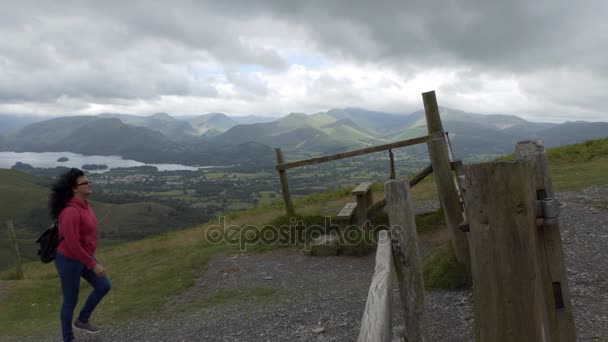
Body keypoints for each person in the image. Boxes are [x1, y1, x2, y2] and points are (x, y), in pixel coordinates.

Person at [49, 168, 111, 342]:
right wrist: (92, 264)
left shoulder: (85, 205)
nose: (89, 184)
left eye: (88, 181)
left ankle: (82, 320)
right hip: (69, 261)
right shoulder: (70, 212)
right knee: (70, 301)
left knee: (104, 285)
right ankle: (68, 338)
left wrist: (89, 259)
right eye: (85, 182)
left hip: (84, 256)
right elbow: (72, 244)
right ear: (75, 188)